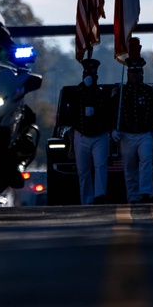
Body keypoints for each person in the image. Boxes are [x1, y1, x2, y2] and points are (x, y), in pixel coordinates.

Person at [60, 58, 116, 205]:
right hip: (81, 134)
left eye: (93, 75)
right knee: (83, 170)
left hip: (100, 134)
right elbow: (70, 107)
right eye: (88, 74)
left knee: (100, 166)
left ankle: (100, 195)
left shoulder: (102, 93)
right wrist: (83, 87)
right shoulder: (77, 93)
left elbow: (108, 112)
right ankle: (86, 199)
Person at [115, 56, 153, 203]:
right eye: (132, 72)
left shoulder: (150, 92)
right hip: (127, 135)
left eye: (137, 72)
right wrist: (113, 129)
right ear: (127, 73)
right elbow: (111, 112)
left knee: (146, 160)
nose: (135, 75)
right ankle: (133, 195)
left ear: (142, 73)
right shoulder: (120, 93)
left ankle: (146, 192)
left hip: (145, 134)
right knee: (129, 166)